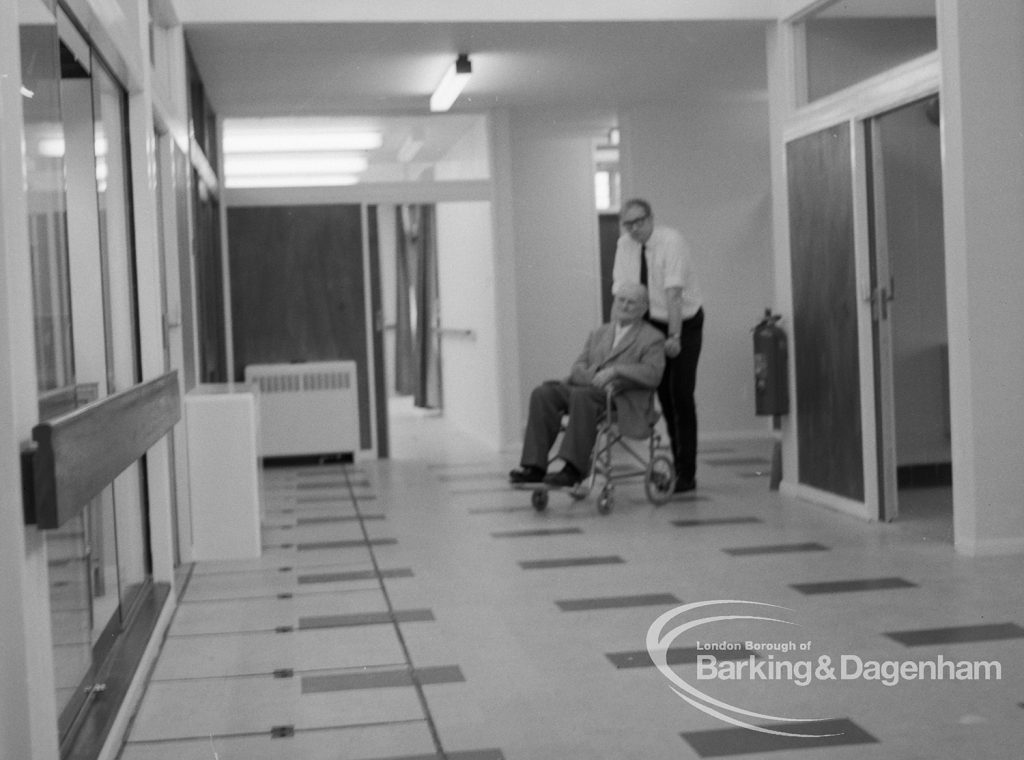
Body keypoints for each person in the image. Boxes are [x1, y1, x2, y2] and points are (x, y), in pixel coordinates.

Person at [509, 283, 665, 489]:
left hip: (620, 398)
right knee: (543, 393)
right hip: (589, 390)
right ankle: (535, 467)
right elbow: (578, 367)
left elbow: (653, 374)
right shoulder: (599, 333)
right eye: (621, 300)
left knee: (583, 397)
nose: (625, 306)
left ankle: (573, 469)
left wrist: (616, 371)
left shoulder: (652, 338)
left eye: (632, 302)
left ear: (644, 308)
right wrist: (597, 376)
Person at [612, 198, 704, 493]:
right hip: (650, 321)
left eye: (639, 221)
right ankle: (676, 467)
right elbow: (625, 292)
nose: (635, 229)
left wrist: (674, 337)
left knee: (681, 394)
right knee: (663, 393)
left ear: (651, 218)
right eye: (629, 224)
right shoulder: (624, 245)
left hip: (682, 322)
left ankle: (687, 473)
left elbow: (674, 294)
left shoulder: (671, 241)